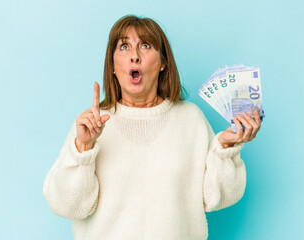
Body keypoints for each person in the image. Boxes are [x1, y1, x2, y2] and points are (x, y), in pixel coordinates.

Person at [43, 15, 261, 240]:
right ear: (113, 66)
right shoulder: (92, 124)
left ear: (163, 62)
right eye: (124, 47)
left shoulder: (190, 119)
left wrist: (224, 149)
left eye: (145, 45)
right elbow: (66, 206)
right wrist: (83, 149)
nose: (134, 56)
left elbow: (218, 197)